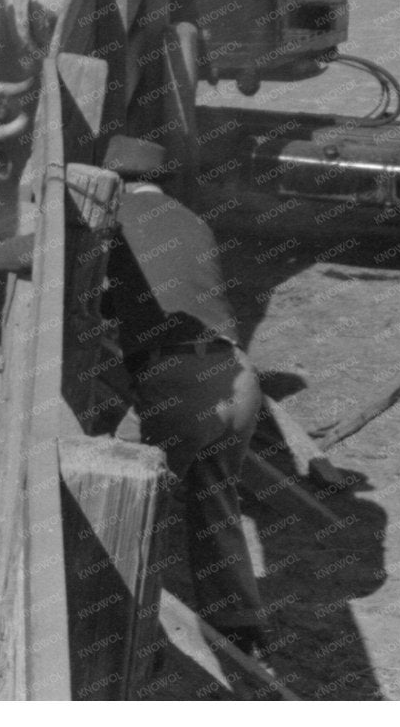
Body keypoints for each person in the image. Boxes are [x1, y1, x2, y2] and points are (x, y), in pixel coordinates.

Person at [95, 135, 270, 656]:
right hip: (235, 373)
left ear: (112, 182)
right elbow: (168, 287)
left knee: (113, 493)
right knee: (214, 498)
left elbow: (49, 253)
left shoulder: (115, 219)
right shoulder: (190, 221)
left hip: (180, 381)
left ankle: (117, 629)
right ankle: (241, 624)